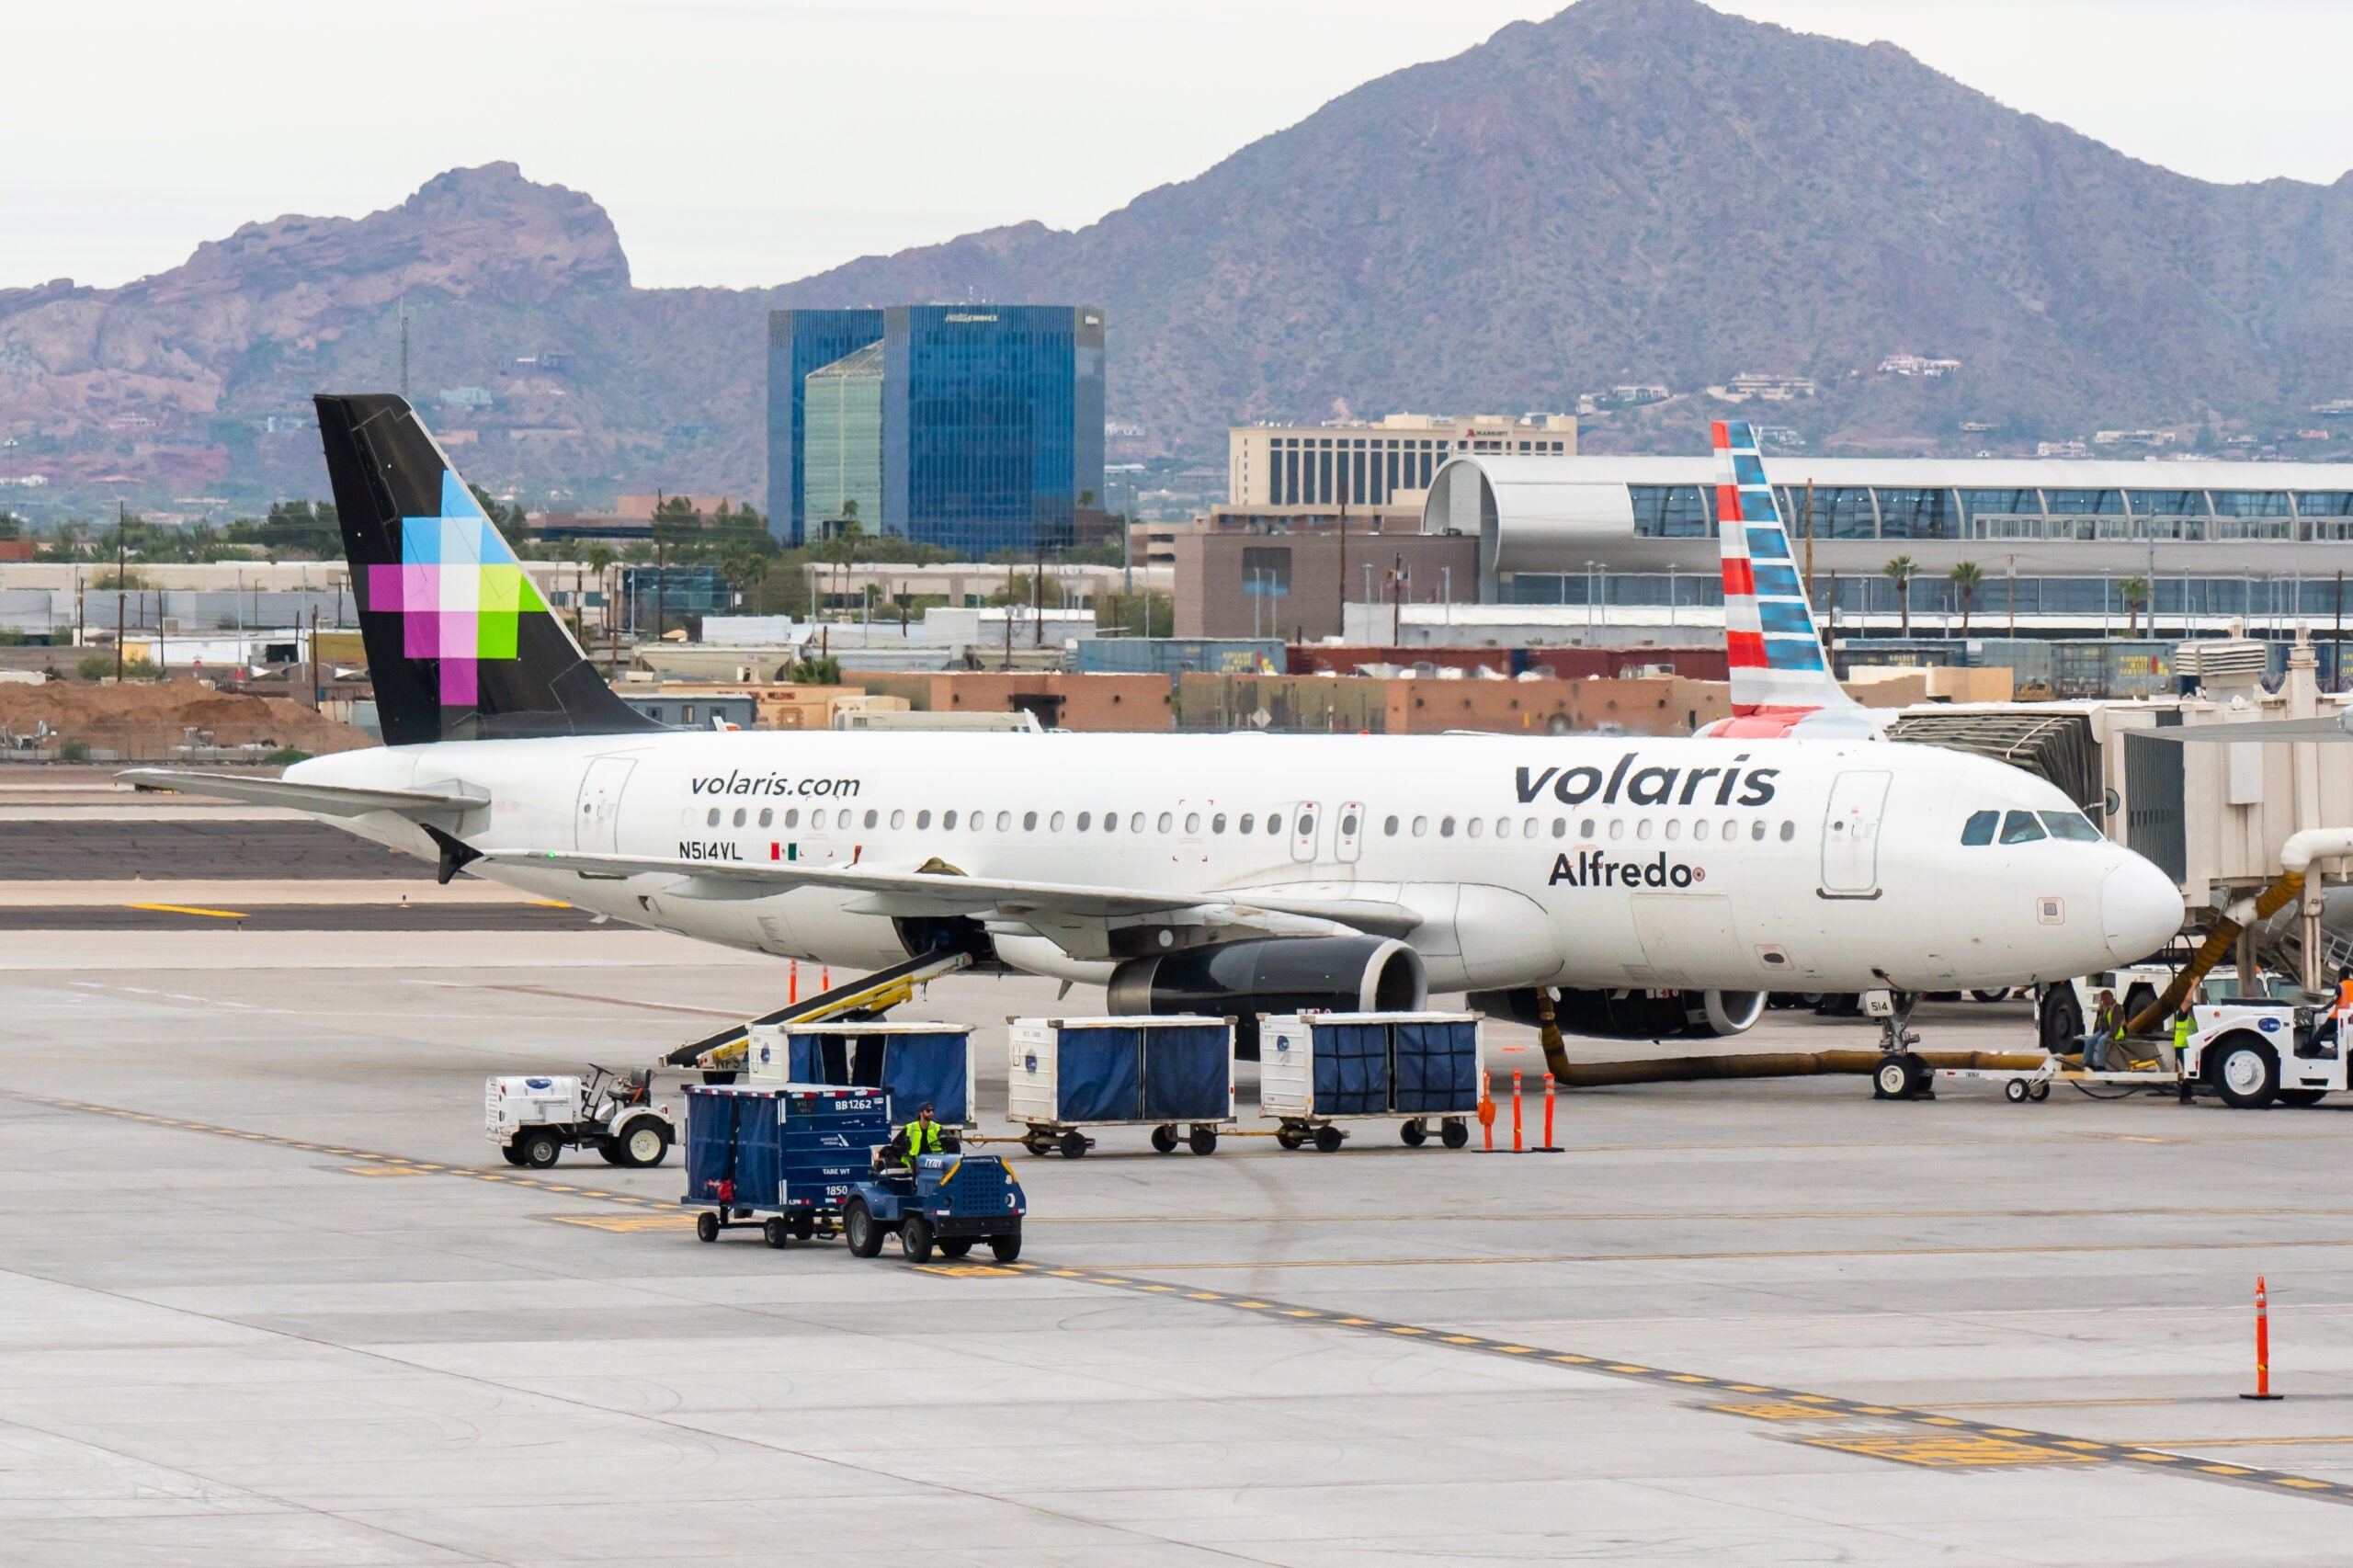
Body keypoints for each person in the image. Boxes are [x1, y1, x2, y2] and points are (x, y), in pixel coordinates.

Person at [2082, 989, 2123, 1070]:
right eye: (2103, 999)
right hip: (2102, 1030)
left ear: (2111, 998)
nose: (2104, 1001)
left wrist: (2112, 1036)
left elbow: (2116, 1024)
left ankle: (2101, 1065)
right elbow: (2098, 1021)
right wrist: (2094, 1033)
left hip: (2112, 1031)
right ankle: (2088, 1063)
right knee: (2089, 1041)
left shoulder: (2116, 1007)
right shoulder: (2102, 1008)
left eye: (2106, 999)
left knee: (2101, 1041)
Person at [901, 1102, 945, 1166]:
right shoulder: (910, 1128)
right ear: (921, 1113)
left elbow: (947, 1142)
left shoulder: (937, 1128)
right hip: (914, 1161)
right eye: (928, 1111)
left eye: (933, 1111)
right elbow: (898, 1146)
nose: (931, 1113)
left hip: (934, 1161)